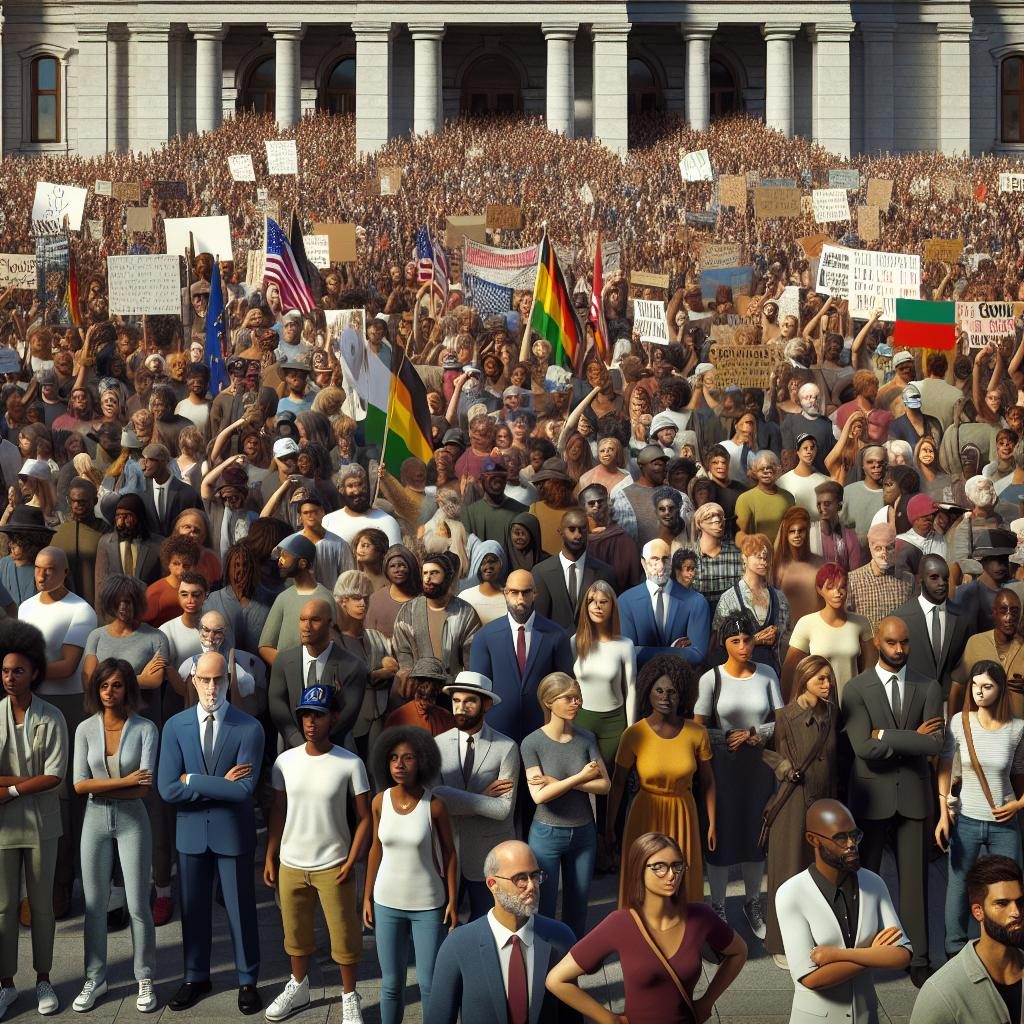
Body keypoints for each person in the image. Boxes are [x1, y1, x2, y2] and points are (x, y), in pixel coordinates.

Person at [157, 651, 265, 1015]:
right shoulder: (174, 726)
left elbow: (244, 790)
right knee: (193, 909)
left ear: (229, 681)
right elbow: (167, 789)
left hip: (232, 833)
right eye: (204, 679)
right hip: (190, 834)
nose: (211, 686)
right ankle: (195, 976)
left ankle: (248, 979)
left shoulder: (249, 727)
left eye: (218, 679)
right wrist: (218, 783)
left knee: (241, 910)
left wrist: (195, 781)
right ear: (192, 680)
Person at [545, 832, 747, 1024]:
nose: (671, 875)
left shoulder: (701, 916)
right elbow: (556, 980)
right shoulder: (620, 923)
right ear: (639, 868)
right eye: (659, 867)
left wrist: (707, 1001)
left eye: (677, 866)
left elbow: (739, 952)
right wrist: (608, 1018)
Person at [841, 616, 944, 987]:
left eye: (904, 643)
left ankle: (918, 957)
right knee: (863, 879)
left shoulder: (929, 686)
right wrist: (908, 738)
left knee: (915, 883)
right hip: (871, 797)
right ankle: (861, 951)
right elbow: (862, 748)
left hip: (914, 797)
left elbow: (934, 743)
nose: (898, 650)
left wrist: (886, 734)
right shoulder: (856, 689)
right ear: (876, 643)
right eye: (890, 643)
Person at [264, 686, 371, 1024]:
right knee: (294, 934)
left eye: (318, 715)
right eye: (306, 715)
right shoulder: (285, 762)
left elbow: (366, 817)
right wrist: (270, 854)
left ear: (333, 718)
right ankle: (299, 985)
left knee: (344, 937)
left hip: (333, 865)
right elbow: (278, 811)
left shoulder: (350, 763)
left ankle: (349, 996)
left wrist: (353, 859)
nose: (311, 722)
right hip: (291, 864)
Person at [71, 659, 158, 1013]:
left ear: (128, 689)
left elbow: (144, 790)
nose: (110, 692)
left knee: (138, 905)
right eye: (104, 685)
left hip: (132, 821)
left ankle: (145, 976)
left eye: (117, 685)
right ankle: (96, 977)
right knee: (94, 906)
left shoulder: (146, 728)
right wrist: (124, 781)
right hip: (94, 820)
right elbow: (79, 785)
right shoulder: (84, 729)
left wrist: (106, 787)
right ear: (96, 690)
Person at [776, 799, 912, 1023]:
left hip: (866, 1016)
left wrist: (837, 955)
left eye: (855, 835)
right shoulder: (791, 894)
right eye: (840, 837)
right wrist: (874, 954)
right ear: (813, 840)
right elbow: (811, 978)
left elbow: (902, 954)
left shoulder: (874, 883)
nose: (851, 844)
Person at [19, 545, 97, 917]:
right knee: (29, 794)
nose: (42, 575)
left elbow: (67, 666)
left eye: (50, 570)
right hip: (30, 703)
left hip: (66, 708)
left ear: (65, 572)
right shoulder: (25, 607)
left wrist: (22, 673)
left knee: (62, 799)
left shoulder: (81, 610)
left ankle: (61, 889)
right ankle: (35, 887)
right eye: (37, 569)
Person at [695, 611, 783, 935]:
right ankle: (718, 903)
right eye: (736, 641)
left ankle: (751, 901)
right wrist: (726, 737)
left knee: (754, 834)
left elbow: (781, 720)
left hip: (758, 767)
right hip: (722, 767)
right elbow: (698, 729)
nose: (744, 646)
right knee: (721, 834)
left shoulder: (767, 674)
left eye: (748, 639)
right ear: (725, 644)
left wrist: (755, 733)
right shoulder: (711, 679)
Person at [427, 839, 579, 1024]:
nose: (532, 886)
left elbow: (571, 1016)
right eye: (520, 878)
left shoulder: (561, 938)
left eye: (535, 875)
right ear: (492, 884)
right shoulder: (458, 946)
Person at [364, 727, 458, 1024]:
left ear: (423, 762)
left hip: (429, 905)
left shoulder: (435, 806)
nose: (399, 765)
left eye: (407, 758)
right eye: (393, 758)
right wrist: (366, 897)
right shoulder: (379, 801)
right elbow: (375, 849)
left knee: (430, 985)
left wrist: (453, 900)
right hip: (386, 902)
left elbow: (450, 853)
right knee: (391, 985)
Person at [0, 619, 68, 1018]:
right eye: (5, 670)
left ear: (35, 673)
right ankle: (6, 983)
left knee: (42, 906)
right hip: (4, 828)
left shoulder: (53, 716)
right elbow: (41, 777)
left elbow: (55, 775)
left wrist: (8, 789)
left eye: (18, 671)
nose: (10, 677)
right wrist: (31, 780)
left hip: (41, 823)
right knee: (4, 907)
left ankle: (44, 979)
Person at [607, 656, 714, 906]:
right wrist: (610, 827)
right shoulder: (633, 734)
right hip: (644, 814)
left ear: (683, 695)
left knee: (681, 879)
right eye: (659, 690)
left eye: (672, 692)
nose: (665, 697)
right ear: (648, 692)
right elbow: (618, 783)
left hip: (683, 814)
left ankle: (682, 937)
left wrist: (711, 823)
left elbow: (708, 782)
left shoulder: (697, 733)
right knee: (643, 878)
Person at [936, 661, 1024, 958]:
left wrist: (1019, 803)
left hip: (1004, 822)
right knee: (958, 887)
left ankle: (1010, 944)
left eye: (987, 686)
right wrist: (943, 810)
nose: (979, 692)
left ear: (1000, 690)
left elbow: (1021, 772)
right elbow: (945, 765)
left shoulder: (1017, 728)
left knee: (1013, 886)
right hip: (967, 820)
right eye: (975, 685)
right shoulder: (959, 722)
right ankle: (954, 951)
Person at [762, 656, 839, 968]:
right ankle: (780, 943)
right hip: (792, 804)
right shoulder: (783, 716)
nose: (827, 684)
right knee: (788, 871)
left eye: (829, 678)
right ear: (804, 679)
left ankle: (816, 936)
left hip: (825, 803)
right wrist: (783, 767)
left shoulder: (833, 712)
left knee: (819, 872)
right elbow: (764, 750)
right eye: (820, 678)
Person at [521, 673, 609, 940]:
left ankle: (572, 962)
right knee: (544, 905)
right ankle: (545, 965)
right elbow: (539, 796)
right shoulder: (532, 743)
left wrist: (558, 783)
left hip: (584, 833)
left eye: (578, 697)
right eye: (569, 698)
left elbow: (605, 785)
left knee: (579, 904)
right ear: (549, 702)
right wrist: (580, 777)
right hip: (546, 833)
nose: (577, 702)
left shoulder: (586, 738)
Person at [432, 671, 519, 922]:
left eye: (469, 701)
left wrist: (453, 798)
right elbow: (434, 800)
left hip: (487, 854)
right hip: (445, 852)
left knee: (487, 926)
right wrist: (480, 796)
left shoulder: (507, 747)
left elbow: (503, 810)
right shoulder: (436, 745)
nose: (460, 707)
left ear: (487, 705)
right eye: (456, 701)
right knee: (442, 927)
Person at [909, 854, 1024, 1024]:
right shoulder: (942, 991)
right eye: (1002, 903)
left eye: (1020, 902)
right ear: (978, 912)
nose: (1016, 912)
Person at [469, 568, 574, 742]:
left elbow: (565, 687)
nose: (520, 599)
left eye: (526, 593)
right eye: (514, 592)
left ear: (535, 593)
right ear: (505, 593)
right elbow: (479, 691)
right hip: (496, 732)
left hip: (543, 730)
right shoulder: (485, 637)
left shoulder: (557, 635)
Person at [267, 597, 368, 749]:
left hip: (336, 748)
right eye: (302, 619)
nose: (306, 626)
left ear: (330, 624)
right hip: (291, 748)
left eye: (315, 620)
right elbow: (277, 706)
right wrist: (299, 744)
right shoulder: (283, 661)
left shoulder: (354, 666)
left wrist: (319, 747)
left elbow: (348, 716)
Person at [783, 564, 875, 701]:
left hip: (855, 703)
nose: (837, 593)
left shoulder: (861, 622)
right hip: (820, 707)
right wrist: (789, 709)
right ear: (819, 590)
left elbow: (871, 669)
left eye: (842, 587)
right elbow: (790, 671)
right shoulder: (806, 623)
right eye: (830, 588)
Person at [392, 552, 480, 690]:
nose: (427, 579)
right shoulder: (409, 611)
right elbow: (402, 650)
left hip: (452, 690)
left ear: (448, 577)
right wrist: (407, 671)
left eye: (434, 573)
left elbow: (472, 657)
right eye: (425, 573)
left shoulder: (465, 613)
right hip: (416, 690)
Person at [894, 554, 975, 704]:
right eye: (934, 577)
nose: (942, 583)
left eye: (945, 578)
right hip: (913, 704)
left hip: (953, 703)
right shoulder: (900, 618)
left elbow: (967, 663)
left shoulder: (964, 618)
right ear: (920, 579)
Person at [618, 539, 710, 668]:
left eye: (665, 559)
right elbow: (626, 653)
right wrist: (675, 651)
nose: (661, 565)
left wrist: (642, 650)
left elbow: (698, 654)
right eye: (655, 559)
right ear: (644, 564)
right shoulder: (625, 602)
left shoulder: (696, 602)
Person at [712, 533, 792, 676]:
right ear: (744, 558)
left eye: (766, 557)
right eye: (758, 556)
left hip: (772, 672)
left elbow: (785, 640)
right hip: (738, 674)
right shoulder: (730, 598)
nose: (763, 562)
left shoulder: (779, 598)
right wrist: (754, 640)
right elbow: (720, 643)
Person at [258, 533, 336, 665]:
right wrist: (287, 670)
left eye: (285, 556)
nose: (280, 561)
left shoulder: (325, 598)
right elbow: (265, 646)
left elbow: (331, 647)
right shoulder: (283, 598)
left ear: (302, 563)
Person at [532, 509, 615, 632]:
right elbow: (539, 620)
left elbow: (609, 618)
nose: (578, 535)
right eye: (572, 529)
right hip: (555, 647)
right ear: (560, 532)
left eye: (582, 529)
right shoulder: (541, 572)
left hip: (593, 646)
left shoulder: (605, 572)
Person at [954, 587, 1024, 719]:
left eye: (1014, 612)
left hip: (1018, 732)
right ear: (994, 612)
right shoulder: (976, 643)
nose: (1009, 617)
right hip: (981, 730)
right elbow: (957, 687)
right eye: (1003, 610)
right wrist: (952, 730)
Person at [846, 523, 915, 634]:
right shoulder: (853, 580)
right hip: (868, 646)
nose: (884, 554)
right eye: (878, 548)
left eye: (889, 548)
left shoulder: (908, 580)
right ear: (870, 547)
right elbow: (847, 622)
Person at [322, 464, 401, 546]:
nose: (357, 491)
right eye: (350, 486)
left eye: (360, 485)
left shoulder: (386, 522)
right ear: (341, 490)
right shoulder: (329, 522)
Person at [690, 501, 744, 616]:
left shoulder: (737, 554)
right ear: (699, 523)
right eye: (709, 517)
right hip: (699, 618)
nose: (717, 520)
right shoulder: (688, 557)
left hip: (731, 621)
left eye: (720, 517)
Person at [139, 442, 201, 537]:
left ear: (163, 462)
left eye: (150, 459)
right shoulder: (141, 493)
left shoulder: (188, 494)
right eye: (144, 459)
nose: (145, 464)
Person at [384, 657, 457, 735]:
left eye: (433, 684)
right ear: (414, 684)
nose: (428, 688)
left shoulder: (446, 717)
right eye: (423, 682)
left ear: (439, 689)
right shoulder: (398, 718)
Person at [734, 450, 794, 546]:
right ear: (754, 471)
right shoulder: (745, 499)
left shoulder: (788, 498)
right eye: (762, 468)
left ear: (777, 469)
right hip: (757, 555)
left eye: (770, 467)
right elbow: (739, 535)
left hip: (783, 555)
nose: (766, 471)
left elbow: (793, 528)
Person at [463, 456, 527, 543]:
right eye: (491, 476)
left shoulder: (522, 512)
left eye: (501, 476)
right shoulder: (469, 514)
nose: (497, 480)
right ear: (481, 479)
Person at [808, 480, 862, 573]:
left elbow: (855, 574)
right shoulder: (809, 533)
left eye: (827, 504)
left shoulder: (850, 536)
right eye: (819, 504)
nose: (822, 508)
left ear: (839, 506)